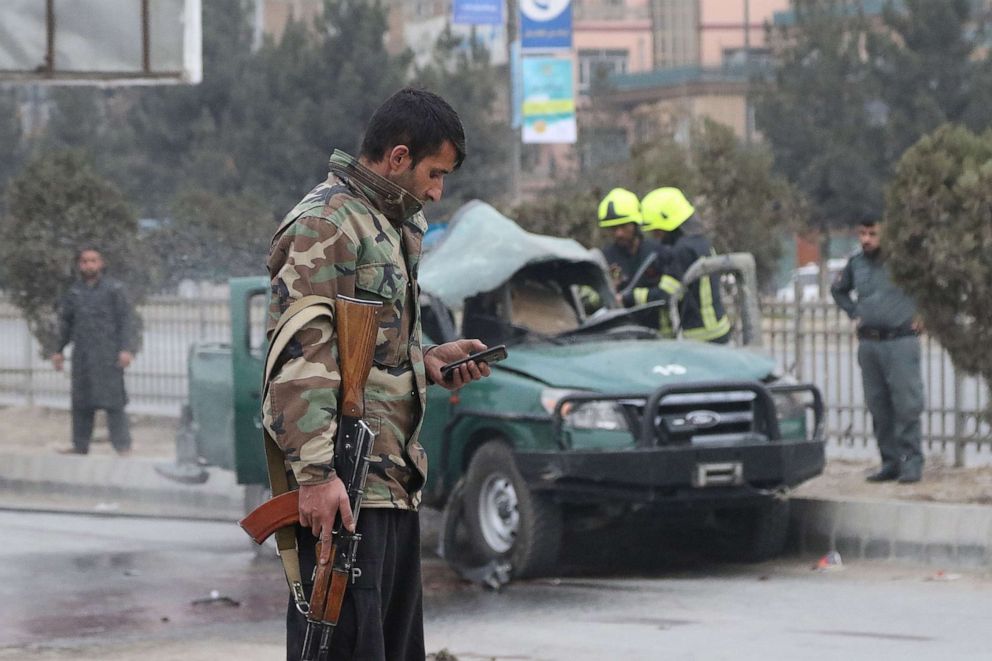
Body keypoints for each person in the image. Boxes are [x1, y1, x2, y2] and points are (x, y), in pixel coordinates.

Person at [263, 88, 491, 661]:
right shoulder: (328, 224)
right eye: (434, 174)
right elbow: (300, 360)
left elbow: (371, 352)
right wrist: (315, 476)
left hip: (391, 483)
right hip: (346, 488)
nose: (438, 191)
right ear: (396, 158)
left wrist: (428, 361)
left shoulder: (384, 223)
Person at [831, 219, 925, 483]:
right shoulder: (856, 263)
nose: (867, 239)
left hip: (901, 341)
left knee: (906, 405)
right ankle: (890, 463)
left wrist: (924, 312)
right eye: (862, 233)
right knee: (879, 407)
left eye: (873, 233)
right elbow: (838, 290)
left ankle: (911, 464)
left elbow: (930, 285)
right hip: (870, 344)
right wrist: (854, 312)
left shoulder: (904, 261)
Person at [50, 247, 135, 456]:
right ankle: (80, 446)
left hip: (109, 354)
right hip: (83, 356)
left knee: (114, 403)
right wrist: (58, 350)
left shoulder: (115, 289)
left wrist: (126, 349)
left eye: (94, 261)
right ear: (80, 265)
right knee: (81, 403)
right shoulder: (74, 292)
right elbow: (66, 324)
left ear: (101, 263)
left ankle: (123, 447)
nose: (89, 265)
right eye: (85, 261)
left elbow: (126, 321)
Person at [639, 187, 731, 344]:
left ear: (668, 222)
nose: (656, 236)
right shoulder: (700, 241)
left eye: (657, 231)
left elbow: (666, 295)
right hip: (719, 328)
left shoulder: (683, 250)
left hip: (700, 334)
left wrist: (631, 296)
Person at [593, 187, 668, 332]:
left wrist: (630, 297)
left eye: (623, 226)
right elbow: (589, 300)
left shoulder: (657, 252)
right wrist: (607, 291)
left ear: (635, 224)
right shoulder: (605, 257)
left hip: (658, 334)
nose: (618, 233)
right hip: (621, 335)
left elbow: (668, 293)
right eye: (613, 228)